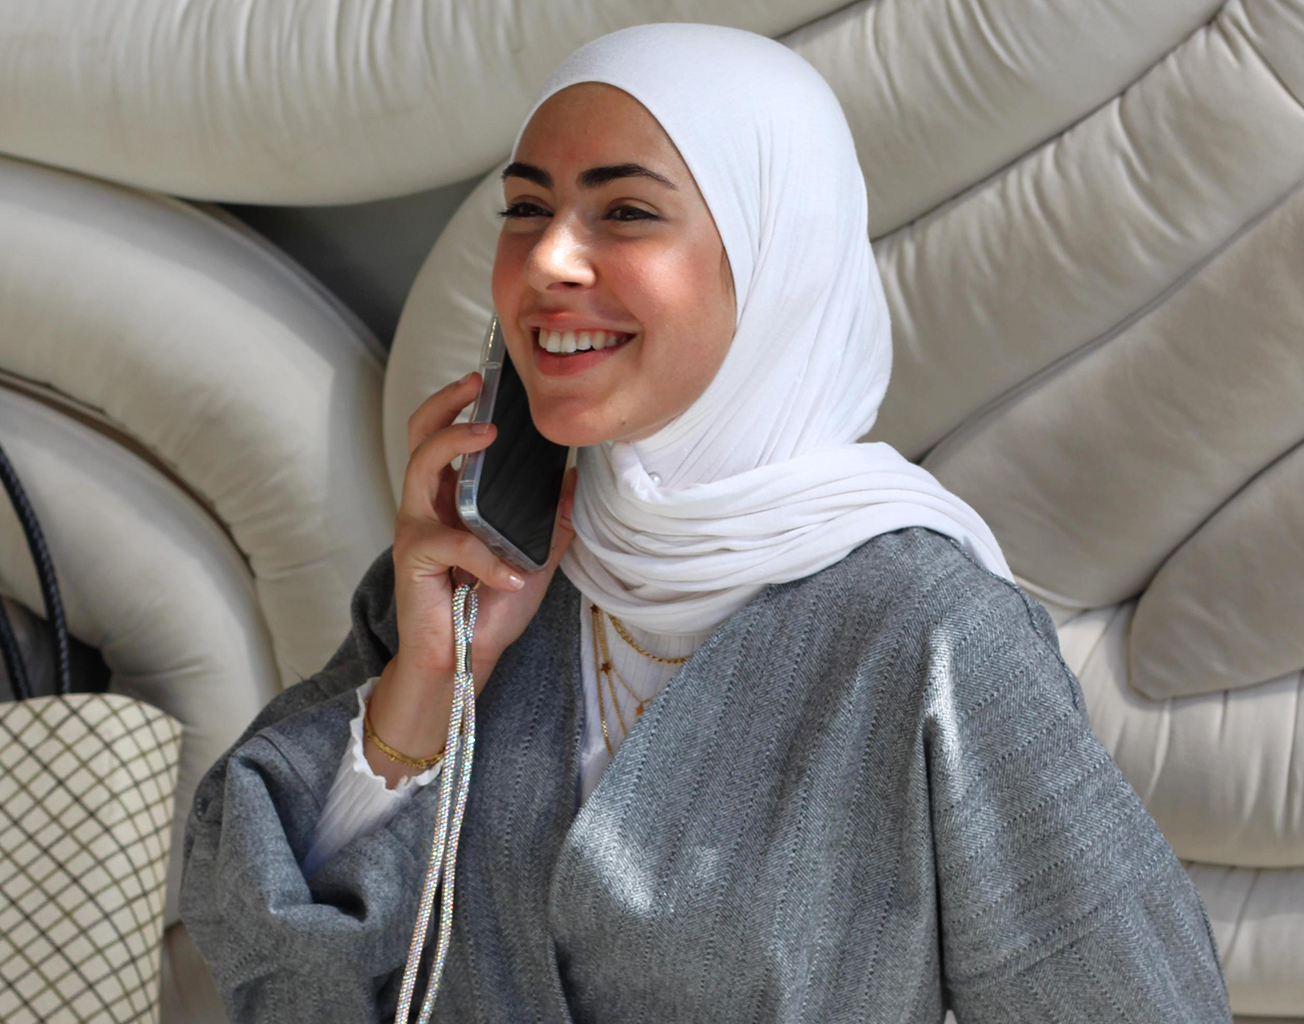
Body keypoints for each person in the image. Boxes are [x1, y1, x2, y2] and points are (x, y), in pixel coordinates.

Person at [180, 22, 1233, 1024]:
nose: (548, 261)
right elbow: (279, 981)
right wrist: (427, 686)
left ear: (775, 255)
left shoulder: (930, 636)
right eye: (526, 208)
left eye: (626, 212)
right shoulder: (469, 578)